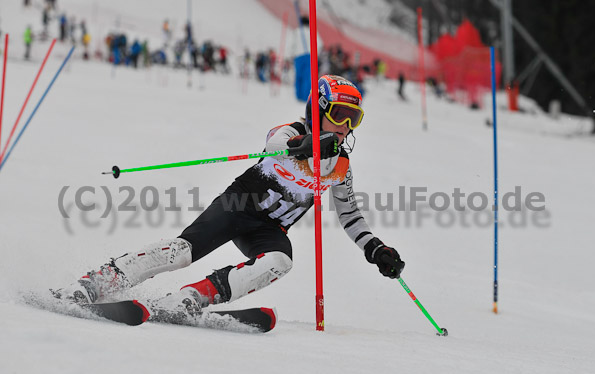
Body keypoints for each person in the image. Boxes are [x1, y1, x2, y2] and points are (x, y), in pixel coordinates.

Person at [54, 75, 405, 316]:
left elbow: (351, 216)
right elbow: (275, 143)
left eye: (353, 120)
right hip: (238, 206)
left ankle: (189, 299)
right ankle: (95, 283)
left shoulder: (341, 166)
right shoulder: (293, 133)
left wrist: (375, 249)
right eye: (339, 116)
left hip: (268, 229)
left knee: (281, 261)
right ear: (319, 109)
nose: (345, 127)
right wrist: (307, 145)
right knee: (182, 252)